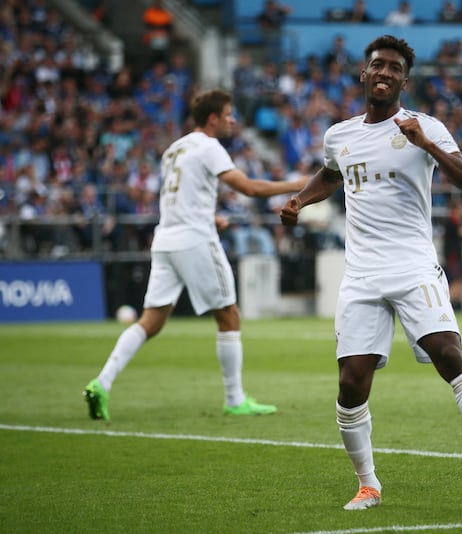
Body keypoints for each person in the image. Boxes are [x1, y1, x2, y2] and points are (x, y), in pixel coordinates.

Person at [279, 35, 462, 510]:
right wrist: (300, 200)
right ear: (364, 75)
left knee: (448, 351)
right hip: (362, 273)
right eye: (377, 66)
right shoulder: (340, 135)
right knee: (351, 383)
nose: (384, 73)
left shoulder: (423, 127)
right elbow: (332, 173)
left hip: (413, 265)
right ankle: (368, 484)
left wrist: (426, 144)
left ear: (405, 81)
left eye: (394, 68)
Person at [83, 90, 307, 421]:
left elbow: (181, 196)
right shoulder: (209, 146)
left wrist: (210, 216)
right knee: (229, 315)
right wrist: (301, 184)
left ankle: (101, 383)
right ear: (213, 118)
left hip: (166, 239)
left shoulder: (175, 148)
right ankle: (234, 398)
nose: (233, 120)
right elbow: (247, 188)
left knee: (151, 321)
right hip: (194, 240)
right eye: (229, 114)